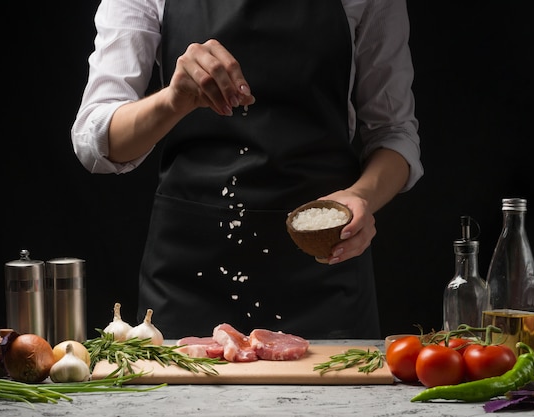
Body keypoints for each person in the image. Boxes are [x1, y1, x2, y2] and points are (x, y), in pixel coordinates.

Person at [71, 0, 424, 340]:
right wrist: (172, 100)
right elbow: (95, 140)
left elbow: (395, 133)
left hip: (323, 264)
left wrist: (361, 197)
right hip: (189, 271)